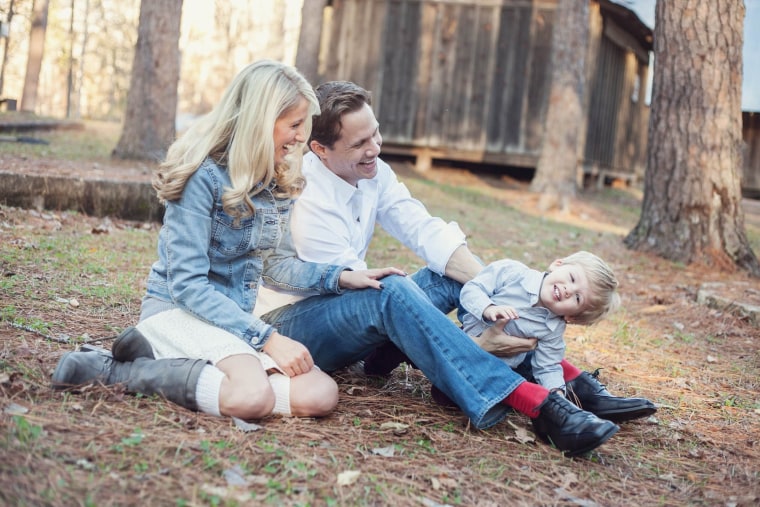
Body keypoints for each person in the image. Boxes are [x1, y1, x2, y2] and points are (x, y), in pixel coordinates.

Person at [252, 81, 627, 457]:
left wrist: (494, 296)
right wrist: (477, 346)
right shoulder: (308, 196)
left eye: (376, 133)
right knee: (393, 291)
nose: (375, 148)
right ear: (320, 150)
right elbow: (364, 291)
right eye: (360, 144)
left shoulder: (371, 170)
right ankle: (537, 404)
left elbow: (421, 227)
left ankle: (567, 378)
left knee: (449, 275)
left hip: (358, 316)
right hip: (295, 327)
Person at [51, 60, 405, 421]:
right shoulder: (201, 177)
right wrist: (267, 339)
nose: (302, 138)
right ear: (260, 121)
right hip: (179, 311)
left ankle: (194, 370)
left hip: (232, 319)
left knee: (319, 394)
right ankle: (111, 370)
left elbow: (274, 265)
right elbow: (187, 285)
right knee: (251, 399)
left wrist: (340, 277)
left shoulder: (276, 179)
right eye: (295, 125)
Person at [461, 251, 653, 421]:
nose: (569, 289)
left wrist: (557, 394)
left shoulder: (553, 328)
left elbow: (548, 366)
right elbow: (472, 289)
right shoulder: (513, 273)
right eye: (571, 278)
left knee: (500, 381)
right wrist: (488, 308)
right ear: (558, 264)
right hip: (463, 343)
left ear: (571, 317)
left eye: (578, 298)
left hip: (498, 369)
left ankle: (557, 403)